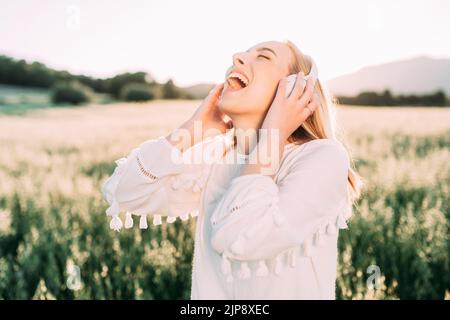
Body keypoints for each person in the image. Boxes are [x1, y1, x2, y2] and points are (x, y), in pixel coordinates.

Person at [101, 40, 363, 299]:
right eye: (244, 52)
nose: (237, 56)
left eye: (263, 56)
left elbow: (239, 238)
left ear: (296, 90)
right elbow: (124, 192)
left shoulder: (323, 157)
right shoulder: (219, 158)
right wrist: (192, 130)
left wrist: (273, 136)